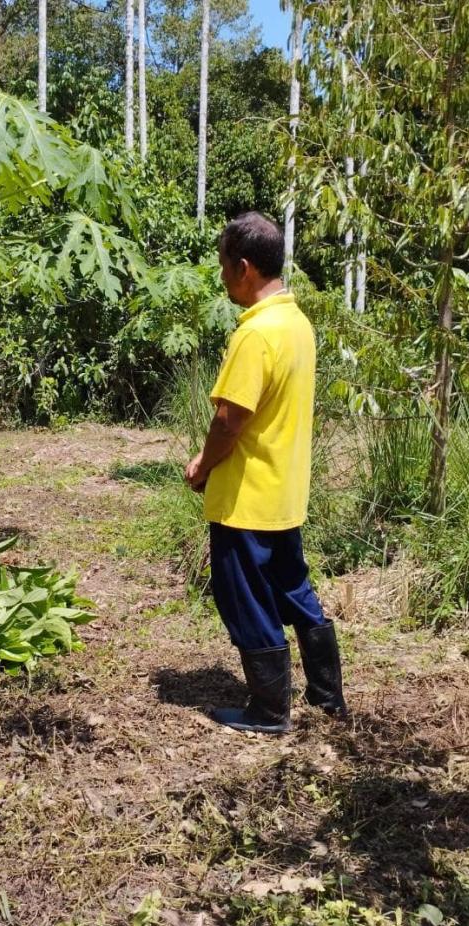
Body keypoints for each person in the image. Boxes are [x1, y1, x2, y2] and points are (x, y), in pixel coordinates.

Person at [184, 212, 347, 734]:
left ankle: (269, 709)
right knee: (294, 587)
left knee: (245, 597)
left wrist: (202, 465)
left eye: (224, 267)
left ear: (245, 268)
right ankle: (326, 696)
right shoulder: (297, 323)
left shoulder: (256, 335)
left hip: (247, 498)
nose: (222, 277)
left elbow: (230, 420)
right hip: (285, 491)